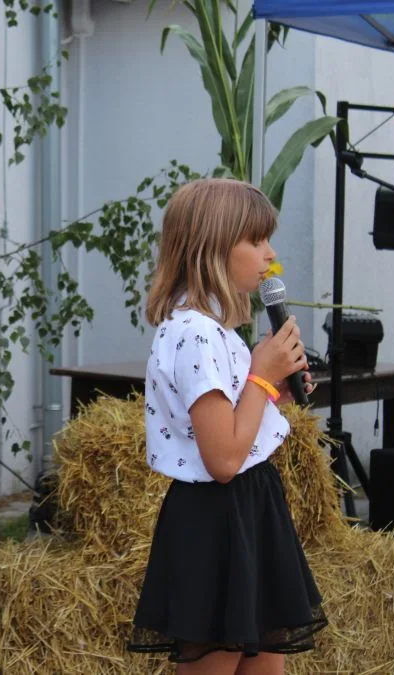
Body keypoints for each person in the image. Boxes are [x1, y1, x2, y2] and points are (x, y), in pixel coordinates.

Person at [126, 178, 327, 674]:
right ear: (213, 248)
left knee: (263, 660)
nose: (270, 254)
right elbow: (223, 459)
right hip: (218, 517)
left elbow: (238, 421)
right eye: (256, 241)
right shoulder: (195, 335)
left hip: (252, 507)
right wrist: (262, 373)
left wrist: (272, 383)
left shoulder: (216, 329)